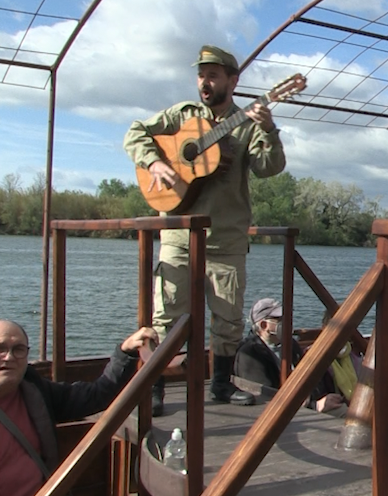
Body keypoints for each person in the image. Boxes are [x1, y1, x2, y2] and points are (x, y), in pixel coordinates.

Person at [123, 45, 287, 414]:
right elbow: (135, 133)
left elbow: (269, 167)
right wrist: (152, 163)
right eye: (201, 75)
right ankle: (155, 389)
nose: (205, 82)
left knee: (228, 320)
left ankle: (221, 386)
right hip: (178, 235)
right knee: (166, 315)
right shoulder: (182, 115)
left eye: (213, 75)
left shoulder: (246, 122)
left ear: (233, 80)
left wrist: (269, 128)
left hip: (227, 238)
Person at [0, 321, 156, 496]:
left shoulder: (35, 391)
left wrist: (126, 352)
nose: (9, 357)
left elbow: (96, 395)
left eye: (18, 349)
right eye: (1, 348)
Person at [234, 298, 354, 416]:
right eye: (280, 319)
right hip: (282, 415)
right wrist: (314, 405)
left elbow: (311, 378)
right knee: (352, 417)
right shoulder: (250, 355)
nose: (287, 322)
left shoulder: (290, 344)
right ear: (264, 325)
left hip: (305, 405)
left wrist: (320, 399)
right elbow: (266, 396)